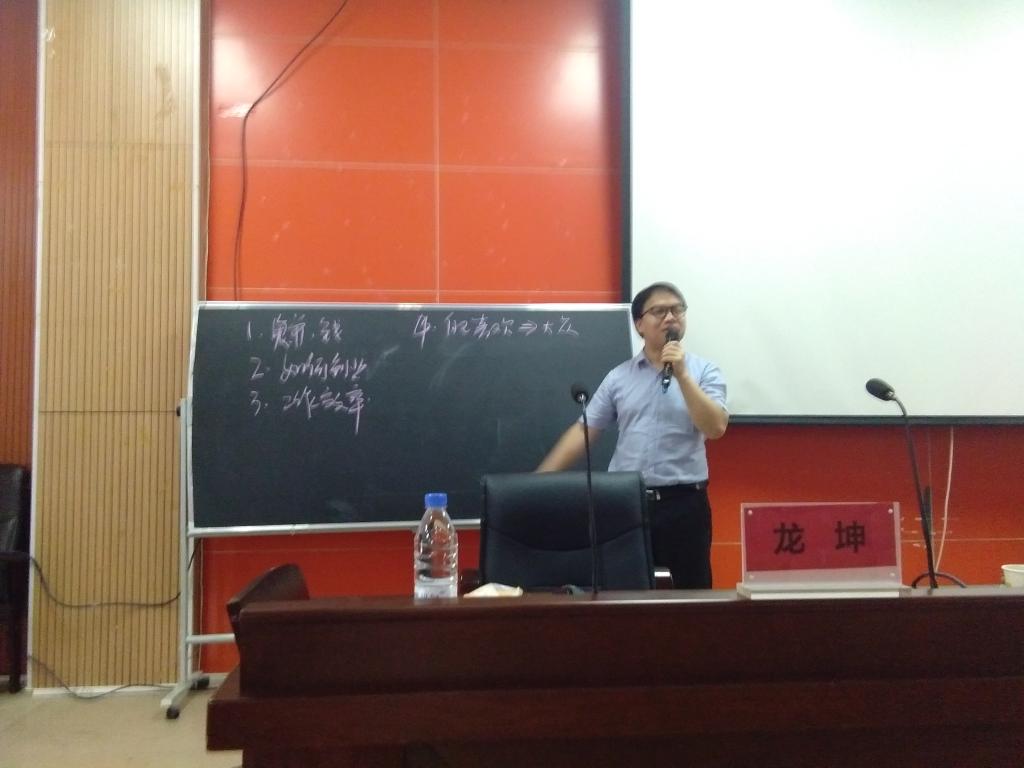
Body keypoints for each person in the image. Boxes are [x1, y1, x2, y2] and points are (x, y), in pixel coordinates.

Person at [537, 282, 728, 588]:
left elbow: (715, 427)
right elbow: (585, 430)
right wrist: (538, 482)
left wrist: (682, 375)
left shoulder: (705, 372)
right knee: (622, 592)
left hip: (684, 504)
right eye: (660, 311)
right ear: (640, 324)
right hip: (626, 502)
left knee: (690, 596)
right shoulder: (619, 377)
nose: (670, 317)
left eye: (677, 309)